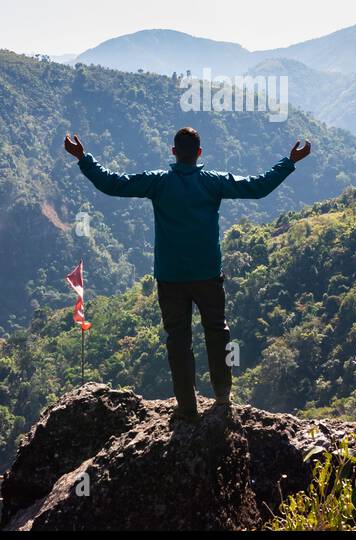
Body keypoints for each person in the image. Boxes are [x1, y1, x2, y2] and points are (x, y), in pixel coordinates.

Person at [64, 126, 311, 421]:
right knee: (217, 332)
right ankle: (222, 397)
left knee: (178, 341)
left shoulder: (158, 182)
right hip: (207, 274)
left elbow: (113, 184)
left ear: (173, 152)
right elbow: (258, 187)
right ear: (199, 154)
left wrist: (83, 157)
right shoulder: (213, 182)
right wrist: (290, 161)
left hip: (170, 277)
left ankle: (187, 406)